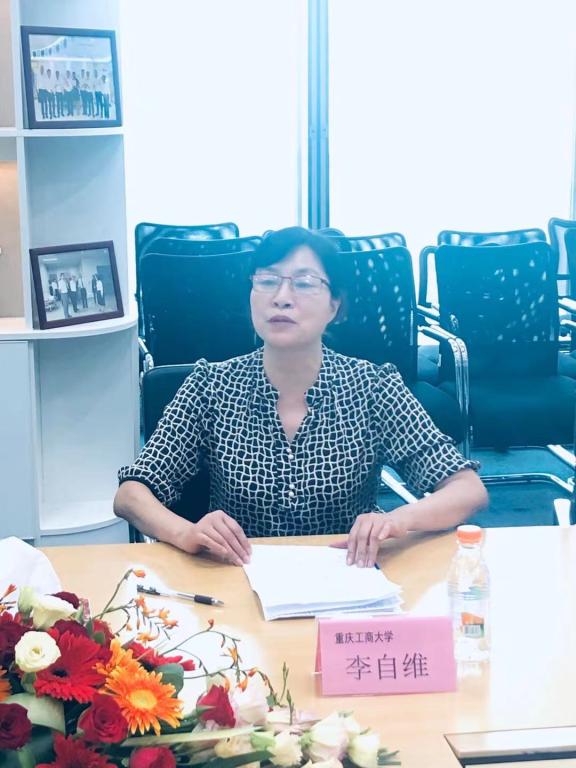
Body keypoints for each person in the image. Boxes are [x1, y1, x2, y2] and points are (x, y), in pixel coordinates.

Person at [114, 227, 487, 568]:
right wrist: (186, 532)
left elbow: (466, 489)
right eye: (267, 281)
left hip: (346, 578)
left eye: (304, 283)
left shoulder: (372, 387)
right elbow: (131, 494)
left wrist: (395, 521)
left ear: (334, 305)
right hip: (238, 578)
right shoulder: (211, 386)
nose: (281, 298)